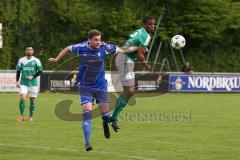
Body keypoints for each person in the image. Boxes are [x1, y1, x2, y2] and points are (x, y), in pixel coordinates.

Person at [48, 29, 139, 151]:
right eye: (95, 40)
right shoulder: (80, 48)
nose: (98, 42)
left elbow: (123, 50)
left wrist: (136, 48)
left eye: (99, 40)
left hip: (101, 87)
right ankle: (87, 143)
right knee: (87, 114)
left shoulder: (104, 47)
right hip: (86, 87)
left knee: (106, 116)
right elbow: (68, 48)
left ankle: (105, 122)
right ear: (89, 40)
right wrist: (57, 59)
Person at [110, 16, 155, 132]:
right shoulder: (145, 36)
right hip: (125, 59)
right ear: (144, 24)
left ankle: (113, 117)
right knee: (129, 91)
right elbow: (140, 54)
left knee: (129, 91)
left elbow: (135, 49)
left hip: (125, 58)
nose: (152, 26)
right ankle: (113, 117)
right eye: (150, 24)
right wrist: (146, 65)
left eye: (153, 24)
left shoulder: (140, 32)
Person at [16, 46, 43, 122]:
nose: (29, 51)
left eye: (30, 50)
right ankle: (21, 116)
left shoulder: (36, 60)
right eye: (27, 50)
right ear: (25, 51)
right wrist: (17, 81)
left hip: (33, 84)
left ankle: (31, 116)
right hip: (23, 83)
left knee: (32, 101)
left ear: (33, 51)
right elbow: (18, 71)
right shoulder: (21, 60)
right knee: (23, 98)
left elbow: (40, 71)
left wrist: (33, 76)